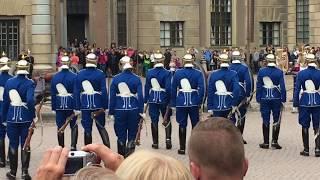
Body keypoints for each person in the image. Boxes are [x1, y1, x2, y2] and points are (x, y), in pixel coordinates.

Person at [2, 55, 35, 179]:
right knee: (25, 143)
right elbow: (30, 101)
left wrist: (4, 118)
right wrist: (33, 115)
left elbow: (5, 102)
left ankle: (12, 172)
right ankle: (24, 172)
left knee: (13, 143)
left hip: (11, 117)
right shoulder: (29, 82)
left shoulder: (9, 82)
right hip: (25, 117)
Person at [109, 55, 143, 157]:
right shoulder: (137, 79)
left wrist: (111, 112)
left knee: (120, 134)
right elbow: (140, 97)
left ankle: (121, 159)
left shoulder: (115, 79)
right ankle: (130, 160)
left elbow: (112, 98)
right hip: (134, 109)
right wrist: (141, 111)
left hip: (119, 108)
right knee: (132, 134)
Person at [171, 52, 205, 155]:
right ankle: (195, 149)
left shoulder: (178, 73)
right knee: (195, 125)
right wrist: (199, 101)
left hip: (181, 101)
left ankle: (182, 148)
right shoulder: (198, 73)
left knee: (182, 124)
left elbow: (173, 89)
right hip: (194, 101)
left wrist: (174, 103)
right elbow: (202, 89)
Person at [74, 53, 110, 147]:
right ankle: (107, 149)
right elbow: (104, 91)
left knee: (87, 129)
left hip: (85, 105)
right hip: (98, 104)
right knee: (101, 127)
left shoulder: (80, 74)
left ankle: (88, 152)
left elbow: (76, 92)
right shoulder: (100, 73)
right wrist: (105, 106)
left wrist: (77, 107)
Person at [256, 54, 286, 149]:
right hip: (276, 98)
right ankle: (274, 142)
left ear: (267, 61)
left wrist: (258, 98)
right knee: (276, 119)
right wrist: (283, 99)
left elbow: (259, 86)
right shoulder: (279, 72)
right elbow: (283, 87)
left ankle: (265, 142)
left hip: (264, 98)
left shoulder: (261, 71)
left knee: (265, 119)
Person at [293, 53, 320, 157]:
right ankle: (318, 149)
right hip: (317, 101)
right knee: (317, 125)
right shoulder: (319, 73)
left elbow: (297, 90)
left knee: (305, 125)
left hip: (304, 101)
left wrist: (296, 103)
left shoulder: (301, 74)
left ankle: (306, 149)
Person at [144, 51, 172, 149]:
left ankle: (155, 143)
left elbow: (147, 87)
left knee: (154, 120)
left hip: (153, 99)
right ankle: (168, 140)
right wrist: (170, 99)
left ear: (155, 61)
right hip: (164, 98)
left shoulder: (149, 72)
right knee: (167, 119)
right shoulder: (167, 73)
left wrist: (146, 99)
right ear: (163, 61)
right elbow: (168, 88)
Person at [51, 54, 78, 151]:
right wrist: (77, 106)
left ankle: (61, 147)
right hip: (71, 104)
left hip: (59, 105)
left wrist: (53, 107)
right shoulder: (74, 76)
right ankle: (73, 146)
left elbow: (53, 93)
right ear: (69, 63)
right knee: (74, 125)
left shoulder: (55, 77)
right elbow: (76, 93)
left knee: (60, 126)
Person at [229, 50, 253, 144]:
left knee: (231, 115)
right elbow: (249, 82)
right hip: (241, 93)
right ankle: (239, 137)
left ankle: (231, 137)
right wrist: (248, 95)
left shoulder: (229, 67)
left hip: (230, 93)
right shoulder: (244, 68)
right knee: (241, 115)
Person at [207, 53, 239, 118]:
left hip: (216, 106)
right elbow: (236, 90)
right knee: (229, 126)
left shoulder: (213, 75)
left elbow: (210, 92)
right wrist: (234, 104)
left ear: (219, 62)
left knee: (216, 126)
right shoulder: (233, 74)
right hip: (229, 105)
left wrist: (210, 107)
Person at [0, 53, 12, 167]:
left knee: (0, 134)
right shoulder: (11, 79)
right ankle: (9, 158)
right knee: (11, 134)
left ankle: (1, 160)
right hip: (8, 108)